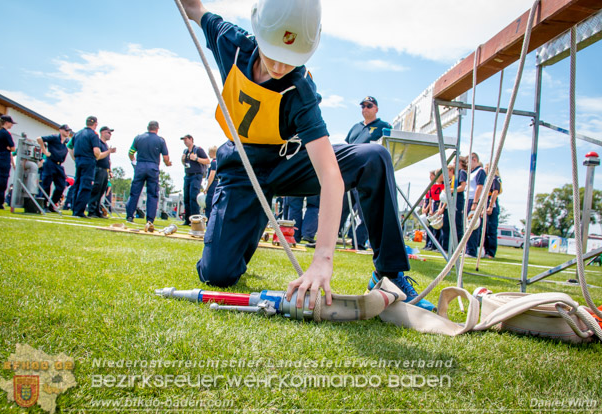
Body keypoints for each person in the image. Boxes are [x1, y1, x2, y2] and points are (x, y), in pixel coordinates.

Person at [180, 0, 435, 311]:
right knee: (217, 275)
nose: (279, 66)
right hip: (241, 169)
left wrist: (322, 260)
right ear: (259, 32)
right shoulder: (230, 42)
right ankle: (242, 229)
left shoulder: (301, 89)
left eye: (291, 58)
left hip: (289, 163)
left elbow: (330, 174)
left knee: (374, 157)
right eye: (273, 54)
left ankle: (389, 273)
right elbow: (194, 8)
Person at [339, 96, 393, 249]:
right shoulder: (355, 127)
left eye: (369, 106)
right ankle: (330, 238)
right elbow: (347, 146)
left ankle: (358, 242)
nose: (365, 109)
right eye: (362, 106)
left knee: (364, 210)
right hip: (349, 171)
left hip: (367, 173)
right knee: (340, 207)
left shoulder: (384, 126)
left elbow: (388, 147)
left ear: (376, 108)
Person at [125, 121, 172, 229]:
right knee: (152, 194)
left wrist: (134, 162)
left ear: (148, 128)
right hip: (153, 167)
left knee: (135, 193)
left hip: (140, 166)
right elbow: (166, 158)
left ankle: (129, 216)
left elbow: (131, 152)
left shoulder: (139, 138)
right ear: (157, 129)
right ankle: (150, 219)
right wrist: (167, 163)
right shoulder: (160, 140)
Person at [71, 116, 102, 218]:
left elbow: (70, 147)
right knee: (86, 186)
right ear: (95, 124)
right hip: (88, 160)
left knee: (77, 184)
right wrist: (98, 157)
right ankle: (79, 211)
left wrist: (75, 158)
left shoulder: (77, 134)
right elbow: (96, 151)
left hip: (78, 160)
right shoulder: (93, 135)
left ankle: (74, 208)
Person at [36, 124, 71, 211]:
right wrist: (44, 151)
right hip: (50, 163)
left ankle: (52, 204)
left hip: (59, 165)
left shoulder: (67, 141)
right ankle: (43, 205)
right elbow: (39, 138)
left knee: (61, 186)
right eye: (66, 130)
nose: (68, 132)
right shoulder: (54, 137)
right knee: (46, 184)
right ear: (60, 130)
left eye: (68, 131)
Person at [88, 126, 116, 217]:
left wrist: (110, 171)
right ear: (103, 133)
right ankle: (91, 210)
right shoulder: (98, 143)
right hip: (98, 168)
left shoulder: (106, 145)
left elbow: (108, 160)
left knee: (101, 192)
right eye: (108, 132)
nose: (110, 135)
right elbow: (98, 155)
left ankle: (97, 210)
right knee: (95, 190)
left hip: (105, 170)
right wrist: (109, 151)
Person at [180, 134, 209, 224]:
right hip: (187, 175)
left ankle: (195, 219)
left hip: (196, 175)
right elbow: (185, 163)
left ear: (191, 139)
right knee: (186, 198)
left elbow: (207, 161)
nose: (185, 142)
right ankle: (187, 219)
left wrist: (196, 158)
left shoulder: (198, 149)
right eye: (183, 140)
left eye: (186, 139)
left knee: (193, 197)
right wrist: (183, 160)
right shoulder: (185, 151)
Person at [465, 153, 486, 257]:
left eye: (468, 162)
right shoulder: (471, 173)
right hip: (468, 199)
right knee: (467, 225)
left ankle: (471, 251)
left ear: (474, 159)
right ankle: (467, 249)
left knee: (473, 226)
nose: (467, 164)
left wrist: (475, 202)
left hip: (474, 199)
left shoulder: (480, 171)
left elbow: (479, 187)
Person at [483, 164, 502, 259]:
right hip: (486, 204)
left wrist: (490, 206)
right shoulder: (487, 180)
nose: (485, 170)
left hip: (492, 205)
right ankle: (486, 250)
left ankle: (491, 252)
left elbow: (495, 192)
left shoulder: (495, 178)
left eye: (486, 168)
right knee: (485, 230)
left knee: (491, 230)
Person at [204, 145, 218, 220]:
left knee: (209, 203)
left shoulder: (213, 162)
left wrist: (207, 188)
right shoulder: (218, 162)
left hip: (213, 184)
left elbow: (211, 176)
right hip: (216, 183)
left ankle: (209, 220)